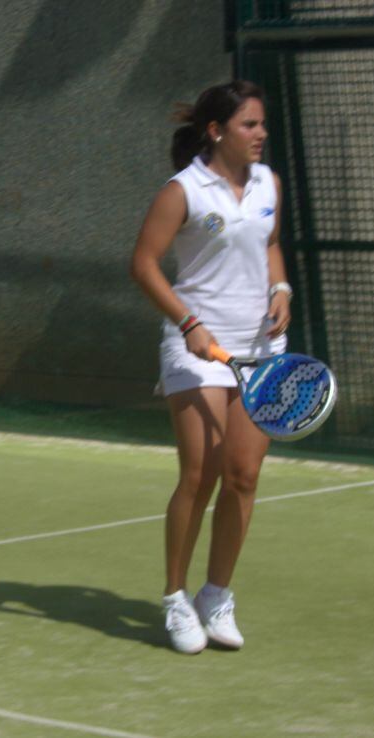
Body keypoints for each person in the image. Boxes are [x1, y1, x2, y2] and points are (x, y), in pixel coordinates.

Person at [129, 81, 291, 654]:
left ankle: (215, 594)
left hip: (260, 348)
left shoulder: (268, 182)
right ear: (217, 131)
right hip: (195, 345)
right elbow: (144, 264)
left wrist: (281, 286)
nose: (261, 134)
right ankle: (175, 598)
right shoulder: (183, 191)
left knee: (243, 475)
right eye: (249, 125)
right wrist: (190, 323)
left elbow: (268, 241)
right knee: (200, 474)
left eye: (262, 124)